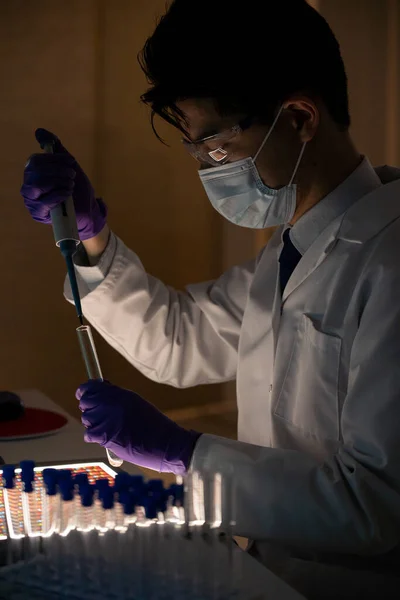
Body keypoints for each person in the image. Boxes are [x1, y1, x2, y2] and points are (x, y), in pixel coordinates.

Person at [21, 0, 400, 597]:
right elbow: (179, 339)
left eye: (215, 147)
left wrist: (185, 450)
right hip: (267, 569)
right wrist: (91, 234)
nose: (204, 167)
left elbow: (375, 505)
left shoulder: (388, 261)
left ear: (299, 117)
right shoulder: (292, 249)